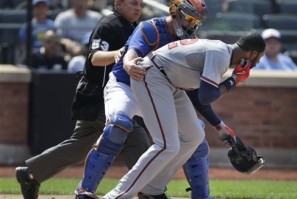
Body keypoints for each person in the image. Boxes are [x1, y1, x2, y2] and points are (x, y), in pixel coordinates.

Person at [103, 31, 266, 199]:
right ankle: (116, 196)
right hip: (152, 76)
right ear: (251, 53)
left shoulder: (221, 51)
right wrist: (234, 80)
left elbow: (198, 96)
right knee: (167, 145)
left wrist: (220, 126)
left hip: (168, 82)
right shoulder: (221, 55)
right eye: (258, 58)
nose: (257, 62)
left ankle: (152, 190)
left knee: (194, 136)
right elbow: (206, 96)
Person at [74, 0, 212, 198]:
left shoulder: (189, 42)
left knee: (195, 134)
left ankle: (157, 191)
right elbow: (131, 54)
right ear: (175, 12)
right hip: (126, 85)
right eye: (189, 18)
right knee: (118, 125)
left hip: (159, 92)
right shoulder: (151, 28)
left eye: (196, 20)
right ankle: (84, 191)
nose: (192, 24)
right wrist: (129, 64)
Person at [15, 1, 147, 199]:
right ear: (118, 3)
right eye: (133, 3)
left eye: (141, 4)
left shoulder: (134, 27)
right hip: (100, 95)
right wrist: (119, 54)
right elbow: (94, 58)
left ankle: (31, 173)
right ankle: (151, 190)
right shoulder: (109, 24)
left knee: (79, 147)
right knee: (135, 137)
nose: (138, 8)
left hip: (113, 95)